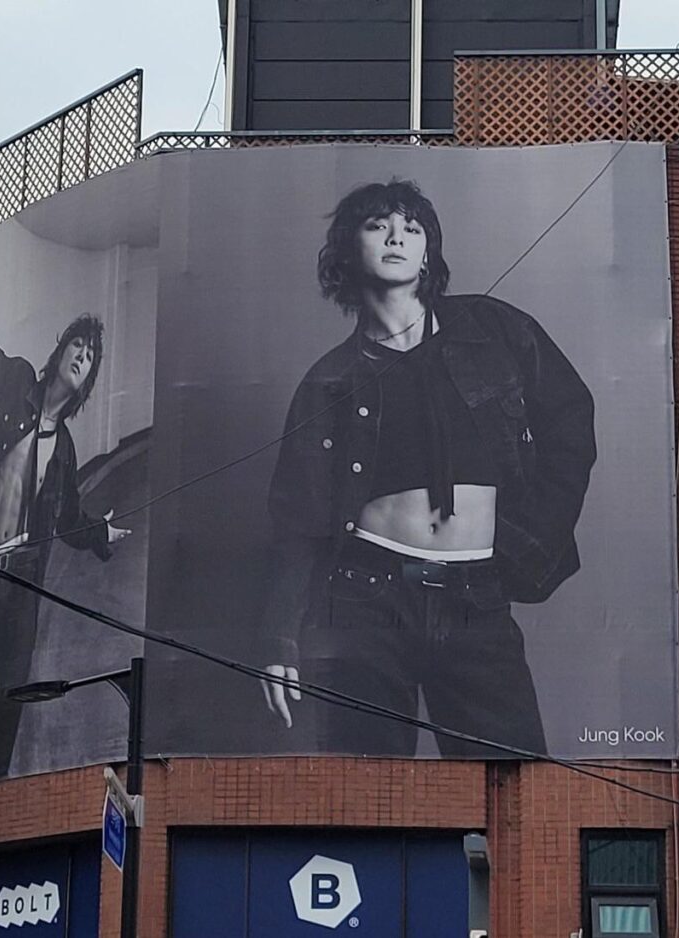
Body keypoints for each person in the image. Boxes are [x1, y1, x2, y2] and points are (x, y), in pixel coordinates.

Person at [259, 180, 596, 757]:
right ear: (348, 249)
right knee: (368, 798)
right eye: (377, 225)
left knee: (513, 785)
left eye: (411, 227)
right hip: (365, 604)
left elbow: (571, 423)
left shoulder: (494, 331)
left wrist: (529, 540)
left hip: (476, 601)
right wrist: (279, 639)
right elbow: (299, 521)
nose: (396, 236)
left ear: (428, 252)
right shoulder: (328, 380)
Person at [0, 247, 127, 784]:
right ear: (60, 352)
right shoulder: (16, 383)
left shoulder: (68, 447)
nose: (84, 356)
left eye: (92, 356)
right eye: (79, 344)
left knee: (11, 682)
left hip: (26, 581)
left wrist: (101, 530)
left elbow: (69, 519)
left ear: (88, 380)